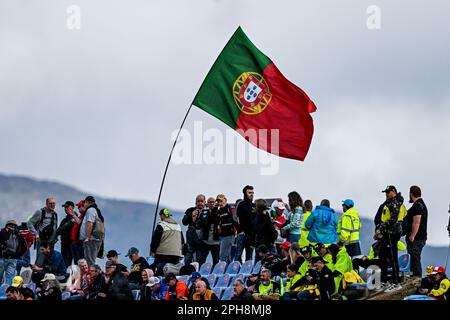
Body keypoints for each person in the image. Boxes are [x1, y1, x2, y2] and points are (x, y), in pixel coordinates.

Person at [374, 185, 407, 291]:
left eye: (388, 193)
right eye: (385, 193)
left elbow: (394, 219)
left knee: (392, 258)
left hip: (392, 233)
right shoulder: (391, 202)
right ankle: (384, 281)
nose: (386, 195)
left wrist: (381, 229)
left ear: (393, 192)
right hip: (387, 233)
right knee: (383, 255)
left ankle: (396, 283)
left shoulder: (396, 202)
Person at [150, 208, 183, 276]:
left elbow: (155, 240)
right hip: (176, 255)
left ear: (162, 215)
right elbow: (182, 240)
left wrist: (153, 251)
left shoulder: (161, 225)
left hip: (162, 255)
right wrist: (181, 253)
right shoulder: (178, 226)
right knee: (172, 271)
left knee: (158, 271)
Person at [405, 185, 428, 278]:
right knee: (414, 257)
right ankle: (415, 277)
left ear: (411, 194)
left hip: (417, 238)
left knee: (415, 257)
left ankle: (416, 278)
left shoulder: (418, 206)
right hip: (419, 237)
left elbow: (416, 222)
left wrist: (412, 236)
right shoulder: (420, 205)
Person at [27, 197, 58, 263]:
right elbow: (29, 223)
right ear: (46, 204)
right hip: (42, 241)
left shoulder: (55, 214)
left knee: (49, 261)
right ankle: (37, 273)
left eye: (54, 203)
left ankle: (47, 273)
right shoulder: (40, 212)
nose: (52, 205)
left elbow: (55, 227)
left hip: (51, 242)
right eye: (50, 203)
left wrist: (55, 238)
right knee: (40, 260)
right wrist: (35, 234)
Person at [79, 196, 105, 266]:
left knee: (89, 261)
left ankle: (91, 276)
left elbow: (90, 223)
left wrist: (87, 237)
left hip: (91, 240)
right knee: (90, 260)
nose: (84, 204)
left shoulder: (91, 210)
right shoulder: (95, 210)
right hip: (94, 239)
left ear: (87, 202)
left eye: (84, 202)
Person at [182, 194, 207, 264]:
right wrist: (191, 215)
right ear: (195, 202)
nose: (200, 203)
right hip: (191, 239)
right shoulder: (190, 210)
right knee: (188, 259)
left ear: (205, 202)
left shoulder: (207, 211)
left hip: (202, 240)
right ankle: (186, 271)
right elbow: (184, 222)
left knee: (200, 260)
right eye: (198, 201)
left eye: (201, 201)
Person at [0, 220, 27, 285]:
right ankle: (7, 293)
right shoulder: (18, 234)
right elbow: (24, 247)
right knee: (9, 279)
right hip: (13, 259)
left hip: (1, 258)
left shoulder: (2, 231)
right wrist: (18, 255)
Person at [234, 185, 256, 263]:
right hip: (242, 234)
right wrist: (240, 230)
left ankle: (247, 273)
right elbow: (234, 218)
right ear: (245, 193)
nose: (252, 194)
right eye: (249, 192)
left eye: (253, 193)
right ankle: (236, 271)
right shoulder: (240, 204)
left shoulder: (254, 205)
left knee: (249, 256)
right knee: (238, 255)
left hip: (251, 235)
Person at [197, 197, 220, 266]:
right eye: (210, 202)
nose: (211, 203)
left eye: (213, 202)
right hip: (205, 240)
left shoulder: (219, 212)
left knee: (216, 260)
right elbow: (201, 224)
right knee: (201, 260)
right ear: (207, 203)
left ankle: (215, 274)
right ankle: (200, 273)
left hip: (216, 241)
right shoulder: (204, 212)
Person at [215, 194, 236, 264]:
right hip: (222, 236)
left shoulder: (230, 208)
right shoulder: (218, 211)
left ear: (225, 200)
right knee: (227, 256)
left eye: (221, 201)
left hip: (229, 235)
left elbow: (235, 220)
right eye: (218, 202)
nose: (219, 203)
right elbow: (216, 222)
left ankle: (223, 270)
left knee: (222, 255)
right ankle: (229, 271)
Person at [56, 201, 78, 267]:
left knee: (68, 262)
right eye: (64, 207)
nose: (65, 208)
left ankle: (69, 275)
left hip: (71, 244)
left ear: (72, 207)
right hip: (64, 243)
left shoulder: (75, 218)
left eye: (67, 207)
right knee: (63, 262)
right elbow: (58, 231)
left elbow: (64, 227)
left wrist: (64, 227)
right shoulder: (65, 219)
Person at [70, 200, 86, 265]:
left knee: (80, 260)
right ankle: (78, 273)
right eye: (78, 207)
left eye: (80, 206)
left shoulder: (85, 216)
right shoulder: (80, 216)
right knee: (76, 261)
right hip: (75, 242)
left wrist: (73, 215)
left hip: (79, 242)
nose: (78, 208)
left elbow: (81, 223)